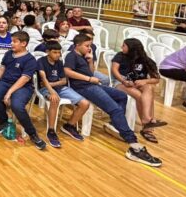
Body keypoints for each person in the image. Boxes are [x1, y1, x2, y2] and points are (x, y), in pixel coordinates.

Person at [65, 34, 162, 166]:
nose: (89, 48)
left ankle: (115, 124)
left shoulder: (84, 56)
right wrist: (88, 79)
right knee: (115, 110)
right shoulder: (71, 55)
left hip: (92, 85)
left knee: (121, 96)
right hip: (83, 88)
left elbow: (91, 72)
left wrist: (90, 61)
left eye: (90, 46)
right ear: (77, 45)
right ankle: (134, 145)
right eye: (87, 46)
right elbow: (67, 71)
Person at [0, 31, 46, 150]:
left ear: (23, 43)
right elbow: (2, 69)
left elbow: (23, 79)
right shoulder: (9, 54)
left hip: (23, 86)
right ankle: (3, 120)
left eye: (14, 42)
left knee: (17, 106)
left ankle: (33, 134)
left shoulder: (30, 60)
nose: (11, 43)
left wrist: (9, 93)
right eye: (11, 41)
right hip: (5, 82)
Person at [111, 39, 166, 143]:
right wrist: (124, 81)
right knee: (139, 95)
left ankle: (147, 120)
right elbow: (114, 70)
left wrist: (144, 81)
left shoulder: (145, 60)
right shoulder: (120, 56)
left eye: (124, 46)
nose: (121, 47)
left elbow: (156, 78)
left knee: (149, 88)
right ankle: (147, 124)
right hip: (120, 83)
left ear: (131, 48)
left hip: (138, 83)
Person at [36, 41, 89, 147]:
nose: (57, 55)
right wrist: (52, 91)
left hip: (60, 88)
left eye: (59, 52)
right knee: (55, 100)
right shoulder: (41, 61)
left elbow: (64, 81)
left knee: (85, 103)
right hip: (45, 89)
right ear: (47, 52)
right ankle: (51, 131)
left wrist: (54, 84)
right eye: (54, 52)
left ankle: (69, 125)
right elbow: (43, 79)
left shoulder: (59, 63)